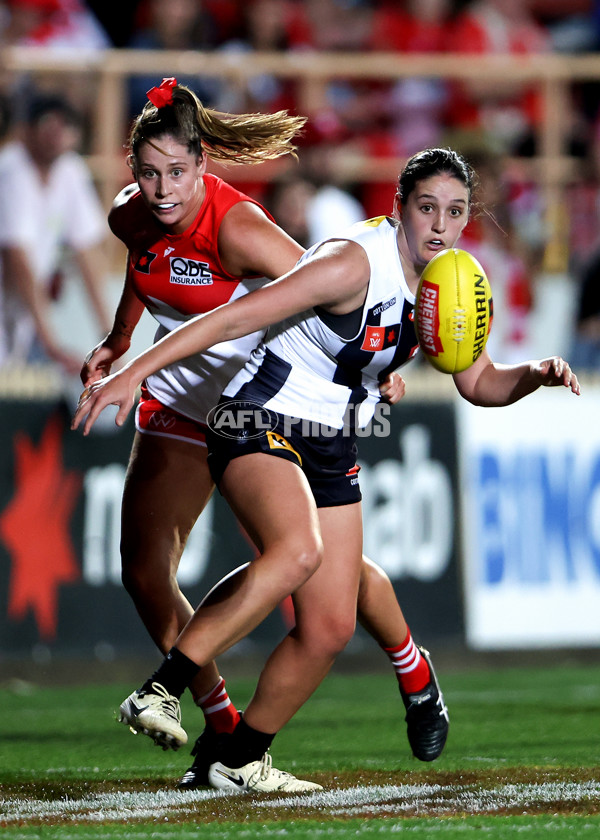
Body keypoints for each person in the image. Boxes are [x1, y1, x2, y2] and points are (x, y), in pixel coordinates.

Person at [74, 139, 580, 793]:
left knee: (330, 625)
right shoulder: (352, 263)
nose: (440, 225)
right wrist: (133, 366)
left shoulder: (454, 278)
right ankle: (161, 690)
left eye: (454, 212)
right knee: (295, 551)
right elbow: (237, 319)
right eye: (426, 208)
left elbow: (478, 381)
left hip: (332, 440)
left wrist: (532, 375)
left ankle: (238, 759)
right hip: (257, 416)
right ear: (398, 208)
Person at [78, 80, 450, 793]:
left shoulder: (241, 228)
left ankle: (407, 664)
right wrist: (118, 338)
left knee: (307, 563)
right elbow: (145, 267)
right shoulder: (132, 215)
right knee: (145, 571)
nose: (162, 190)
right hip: (180, 395)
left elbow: (322, 293)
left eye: (178, 174)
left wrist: (372, 363)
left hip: (263, 403)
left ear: (205, 165)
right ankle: (221, 729)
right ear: (132, 171)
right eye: (148, 173)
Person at [0, 92, 111, 373]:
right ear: (27, 131)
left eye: (66, 126)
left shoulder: (70, 170)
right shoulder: (11, 168)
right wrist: (51, 345)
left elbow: (87, 254)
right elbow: (17, 259)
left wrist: (111, 338)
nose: (57, 134)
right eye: (49, 124)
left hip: (20, 305)